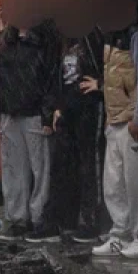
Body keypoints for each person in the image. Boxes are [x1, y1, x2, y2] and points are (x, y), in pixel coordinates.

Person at [92, 0, 138, 260]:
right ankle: (120, 234)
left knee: (137, 182)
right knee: (114, 182)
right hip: (117, 119)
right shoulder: (116, 36)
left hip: (135, 121)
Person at [0, 9, 60, 242]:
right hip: (11, 114)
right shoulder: (7, 44)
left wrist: (47, 115)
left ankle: (39, 219)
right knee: (15, 169)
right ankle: (19, 219)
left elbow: (50, 81)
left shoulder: (42, 43)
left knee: (39, 169)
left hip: (32, 113)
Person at [47, 19, 106, 245]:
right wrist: (58, 106)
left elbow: (110, 63)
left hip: (88, 106)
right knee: (68, 164)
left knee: (90, 163)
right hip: (69, 108)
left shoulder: (93, 35)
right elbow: (58, 77)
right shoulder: (63, 40)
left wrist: (100, 84)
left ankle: (92, 220)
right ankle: (68, 219)